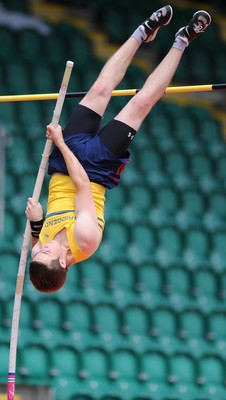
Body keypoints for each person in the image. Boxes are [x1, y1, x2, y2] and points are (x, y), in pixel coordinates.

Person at [25, 5, 211, 293]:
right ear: (63, 263)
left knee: (101, 88)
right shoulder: (85, 241)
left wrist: (37, 223)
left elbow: (38, 240)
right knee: (141, 103)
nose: (42, 248)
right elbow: (83, 185)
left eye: (37, 252)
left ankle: (143, 32)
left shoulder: (42, 249)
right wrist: (59, 142)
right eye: (46, 253)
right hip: (96, 170)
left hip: (63, 164)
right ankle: (183, 39)